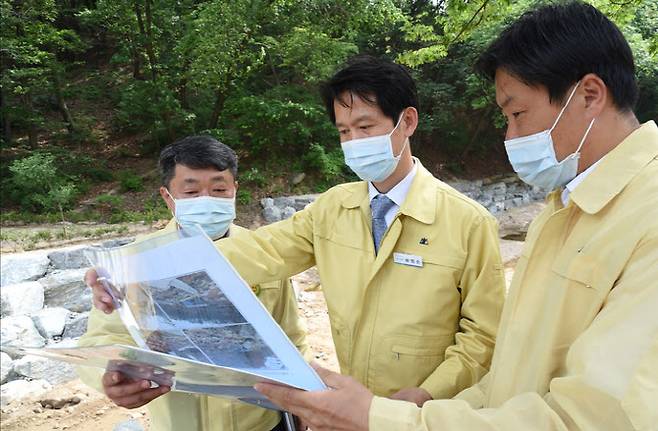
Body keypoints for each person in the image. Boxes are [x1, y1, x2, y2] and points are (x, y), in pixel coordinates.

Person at [254, 2, 658, 430]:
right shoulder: (562, 210)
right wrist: (408, 415)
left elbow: (593, 418)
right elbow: (511, 375)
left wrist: (389, 417)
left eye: (517, 113)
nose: (510, 136)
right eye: (344, 131)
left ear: (590, 95)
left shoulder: (644, 218)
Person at [90, 56, 506, 407]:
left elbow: (484, 335)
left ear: (407, 121)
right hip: (355, 403)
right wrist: (133, 272)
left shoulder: (467, 222)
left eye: (366, 127)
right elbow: (258, 252)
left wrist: (426, 394)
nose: (354, 141)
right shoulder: (332, 208)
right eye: (344, 132)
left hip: (433, 413)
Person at [78, 136, 309, 431]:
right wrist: (110, 377)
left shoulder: (263, 253)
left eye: (218, 189)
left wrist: (303, 404)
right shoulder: (136, 261)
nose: (206, 200)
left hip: (261, 422)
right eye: (191, 191)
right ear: (167, 197)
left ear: (235, 191)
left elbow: (291, 335)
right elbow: (100, 341)